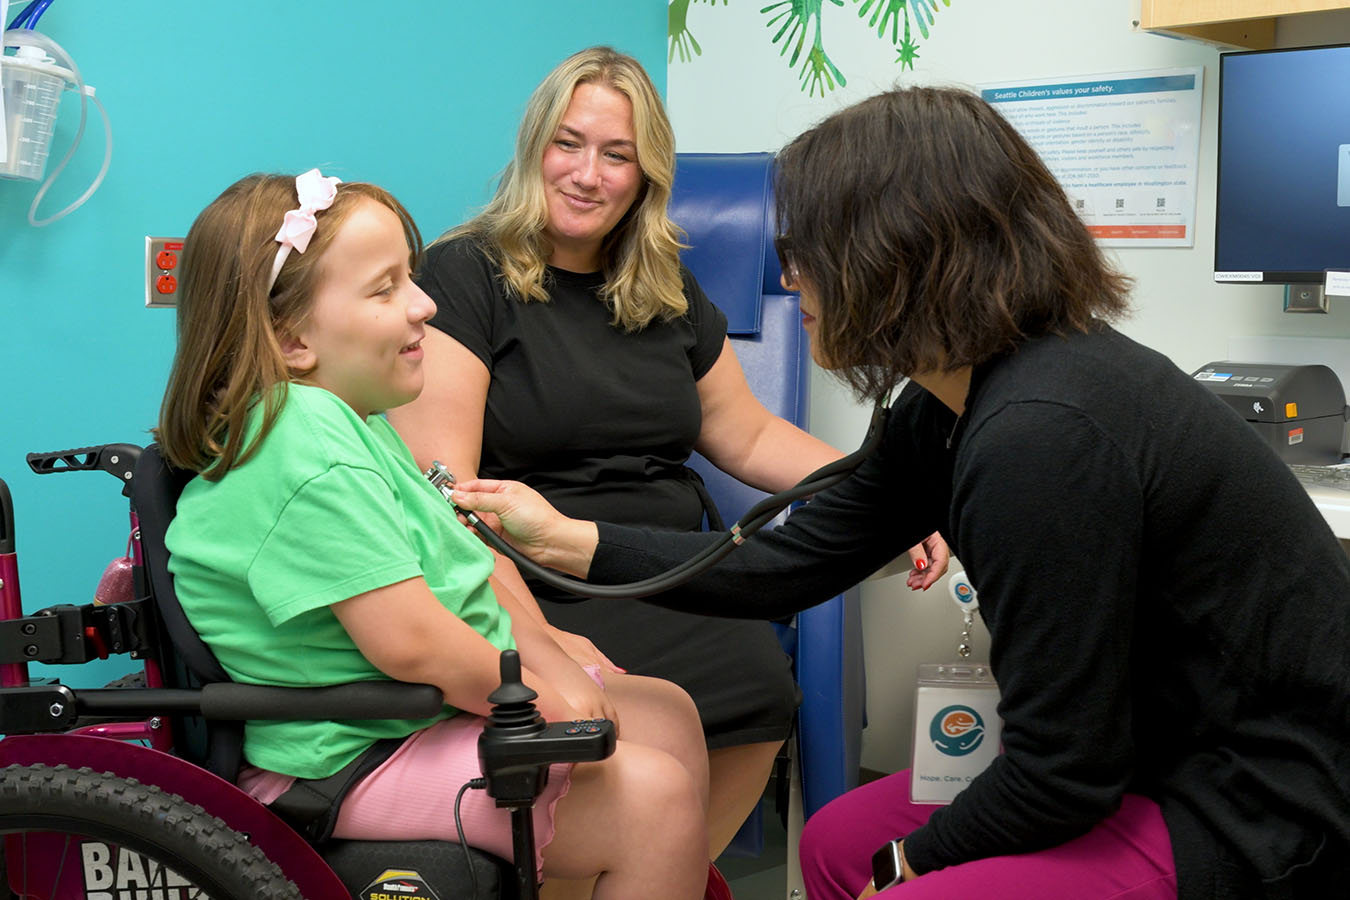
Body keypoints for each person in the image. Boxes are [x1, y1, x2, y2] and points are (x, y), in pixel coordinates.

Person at [447, 86, 1350, 900]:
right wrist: (567, 538)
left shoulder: (1043, 434)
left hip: (1256, 794)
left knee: (892, 881)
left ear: (898, 255)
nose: (789, 277)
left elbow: (1061, 772)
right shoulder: (945, 404)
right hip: (1142, 757)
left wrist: (910, 866)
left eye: (806, 250)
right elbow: (784, 561)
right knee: (837, 843)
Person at [386, 45, 948, 860]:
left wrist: (883, 492)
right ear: (533, 148)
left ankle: (670, 872)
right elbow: (451, 496)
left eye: (617, 155)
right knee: (611, 727)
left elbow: (748, 434)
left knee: (758, 688)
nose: (588, 173)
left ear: (647, 174)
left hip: (667, 561)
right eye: (568, 143)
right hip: (537, 564)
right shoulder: (467, 275)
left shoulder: (664, 287)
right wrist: (529, 630)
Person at [155, 169, 714, 900]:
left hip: (410, 717)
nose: (425, 305)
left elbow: (472, 560)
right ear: (291, 338)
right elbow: (411, 639)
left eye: (411, 279)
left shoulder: (355, 422)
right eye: (386, 289)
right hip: (343, 754)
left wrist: (553, 658)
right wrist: (543, 697)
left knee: (665, 712)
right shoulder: (301, 443)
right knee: (654, 803)